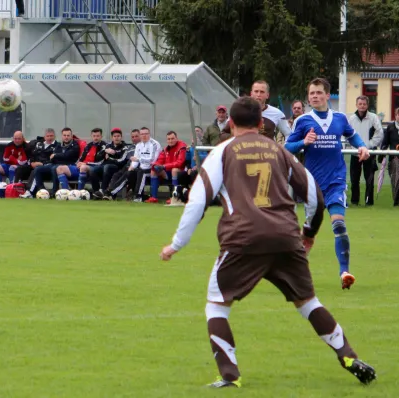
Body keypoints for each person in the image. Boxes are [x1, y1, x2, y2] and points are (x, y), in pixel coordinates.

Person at [160, 96, 376, 388]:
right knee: (308, 302)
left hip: (243, 239)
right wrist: (308, 234)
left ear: (231, 123)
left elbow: (197, 199)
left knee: (216, 306)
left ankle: (229, 375)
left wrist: (176, 243)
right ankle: (347, 355)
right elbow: (315, 197)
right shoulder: (280, 151)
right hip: (287, 238)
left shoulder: (223, 151)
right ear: (262, 124)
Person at [285, 78, 370, 290]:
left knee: (339, 224)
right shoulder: (303, 121)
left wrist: (362, 147)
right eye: (311, 93)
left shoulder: (340, 118)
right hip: (312, 185)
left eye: (318, 93)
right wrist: (304, 142)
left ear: (326, 95)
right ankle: (295, 272)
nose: (314, 96)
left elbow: (353, 136)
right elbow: (287, 148)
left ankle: (345, 272)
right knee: (309, 234)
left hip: (336, 181)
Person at [222, 81, 291, 142]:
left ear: (267, 95)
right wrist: (238, 139)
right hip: (244, 153)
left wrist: (284, 149)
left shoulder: (277, 113)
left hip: (267, 154)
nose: (258, 95)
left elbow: (288, 134)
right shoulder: (240, 110)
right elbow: (223, 134)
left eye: (262, 92)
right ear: (251, 94)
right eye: (256, 91)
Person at [347, 96, 383, 206]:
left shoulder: (373, 118)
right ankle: (354, 201)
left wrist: (368, 146)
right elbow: (348, 134)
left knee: (369, 179)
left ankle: (369, 202)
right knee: (354, 179)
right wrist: (357, 146)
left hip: (369, 153)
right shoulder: (351, 118)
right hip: (355, 153)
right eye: (360, 104)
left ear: (367, 105)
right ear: (356, 105)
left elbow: (379, 133)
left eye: (364, 104)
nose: (362, 106)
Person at [146, 131, 187, 203]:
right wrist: (155, 166)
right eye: (169, 139)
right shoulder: (165, 149)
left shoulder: (182, 147)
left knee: (174, 170)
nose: (170, 141)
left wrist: (164, 166)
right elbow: (159, 160)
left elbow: (180, 163)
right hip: (168, 171)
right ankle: (153, 197)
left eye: (172, 138)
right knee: (154, 170)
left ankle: (174, 198)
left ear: (176, 138)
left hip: (181, 172)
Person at [91, 128, 129, 197]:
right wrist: (105, 151)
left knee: (107, 167)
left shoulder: (125, 147)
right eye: (115, 136)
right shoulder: (107, 145)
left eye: (118, 136)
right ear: (112, 137)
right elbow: (98, 156)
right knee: (94, 170)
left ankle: (102, 190)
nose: (116, 138)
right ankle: (96, 191)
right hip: (105, 166)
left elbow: (122, 161)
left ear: (121, 137)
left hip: (117, 168)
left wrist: (112, 156)